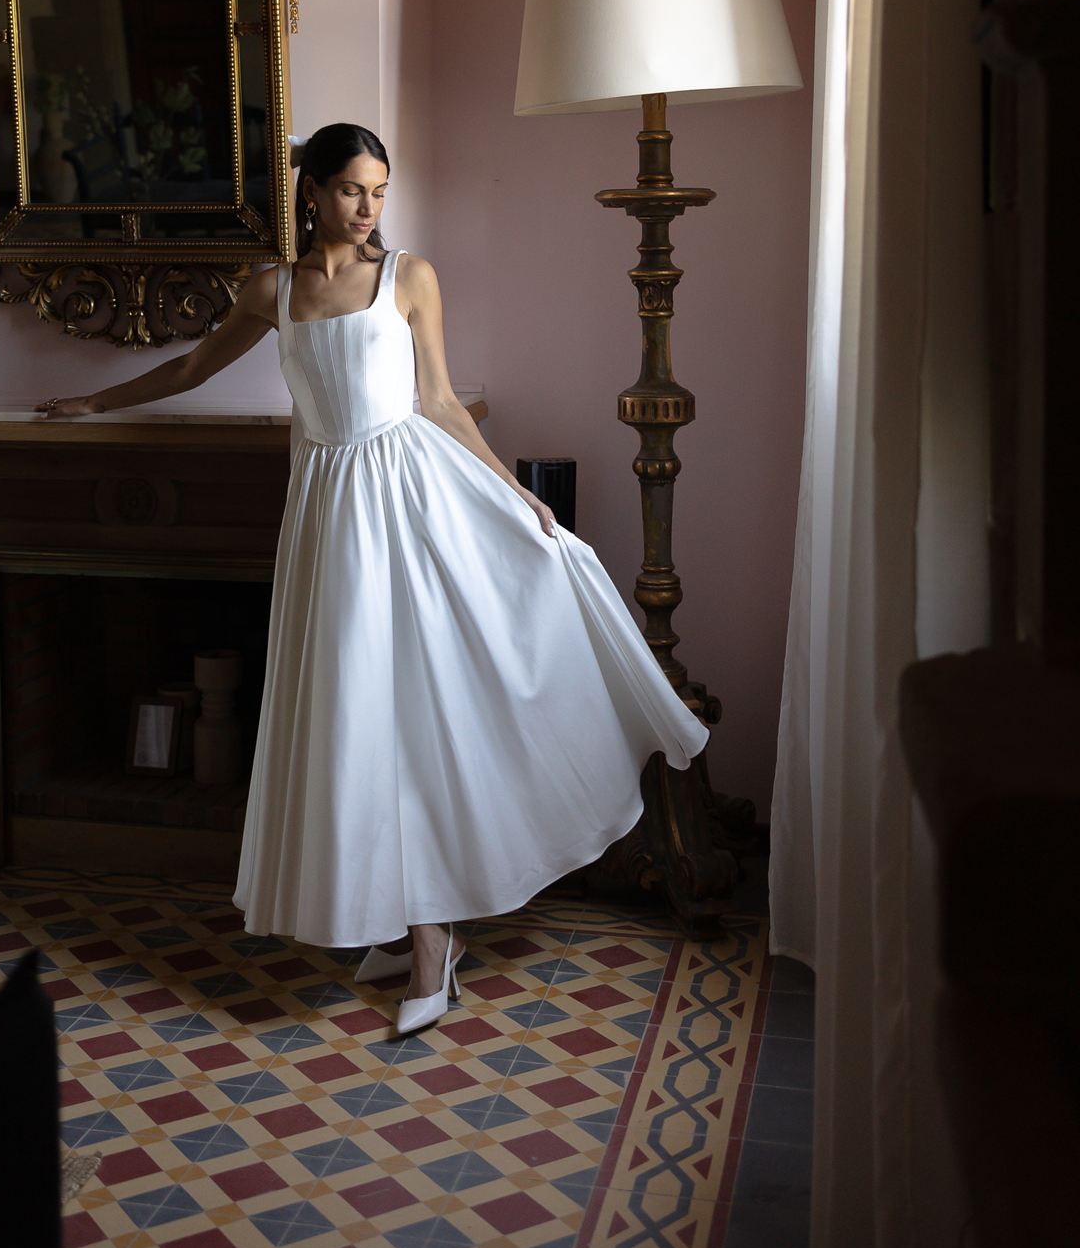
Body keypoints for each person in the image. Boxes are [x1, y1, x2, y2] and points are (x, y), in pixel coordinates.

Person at [38, 121, 709, 1037]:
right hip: (326, 518)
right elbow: (192, 366)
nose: (368, 209)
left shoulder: (410, 278)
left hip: (411, 504)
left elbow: (434, 400)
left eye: (380, 191)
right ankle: (410, 922)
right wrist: (89, 402)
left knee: (415, 711)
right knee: (356, 716)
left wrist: (515, 496)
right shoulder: (272, 290)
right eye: (353, 189)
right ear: (312, 191)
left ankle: (432, 942)